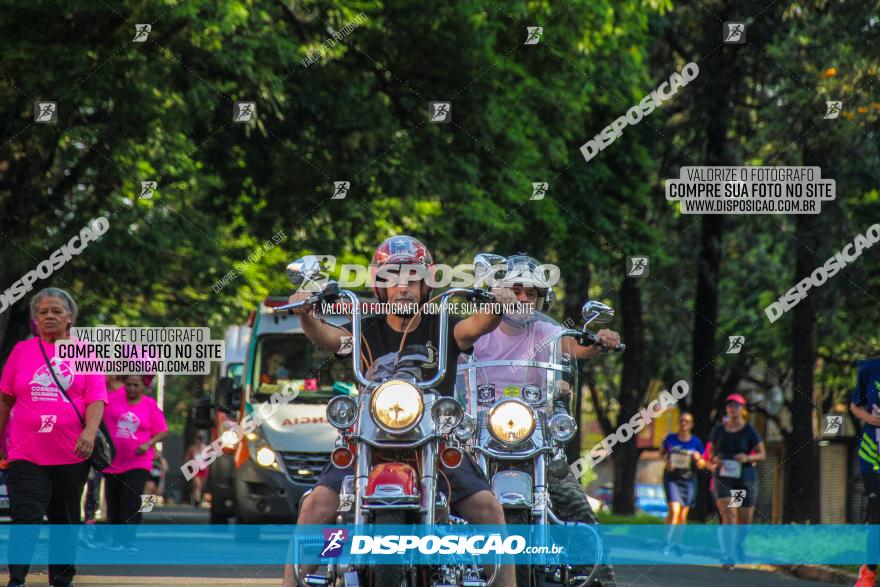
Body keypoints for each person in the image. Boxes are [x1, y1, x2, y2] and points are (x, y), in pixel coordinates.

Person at [281, 235, 518, 587]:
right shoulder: (364, 325)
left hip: (435, 439)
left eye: (412, 277)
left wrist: (498, 304)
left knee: (488, 508)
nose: (402, 286)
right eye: (393, 277)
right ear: (380, 284)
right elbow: (330, 339)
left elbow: (477, 325)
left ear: (426, 282)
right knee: (314, 506)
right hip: (368, 437)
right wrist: (307, 315)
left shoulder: (442, 323)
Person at [462, 254, 621, 585]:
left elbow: (579, 346)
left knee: (579, 510)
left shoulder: (548, 331)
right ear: (499, 292)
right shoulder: (477, 329)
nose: (522, 299)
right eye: (515, 290)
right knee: (440, 500)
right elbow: (449, 351)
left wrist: (602, 340)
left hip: (536, 443)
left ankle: (599, 578)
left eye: (531, 293)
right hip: (477, 439)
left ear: (540, 299)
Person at [0, 288, 107, 587]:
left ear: (69, 317)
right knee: (26, 517)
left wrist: (89, 432)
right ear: (35, 319)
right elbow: (5, 400)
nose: (49, 315)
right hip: (25, 453)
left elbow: (96, 398)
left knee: (65, 520)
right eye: (43, 311)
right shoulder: (22, 351)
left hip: (72, 453)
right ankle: (17, 579)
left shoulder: (85, 352)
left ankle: (61, 579)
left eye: (56, 311)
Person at [102, 374, 169, 551]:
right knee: (113, 501)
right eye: (129, 384)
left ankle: (127, 540)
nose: (131, 388)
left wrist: (148, 444)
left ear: (143, 387)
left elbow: (162, 431)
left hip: (138, 462)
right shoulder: (112, 400)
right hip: (112, 462)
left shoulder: (150, 405)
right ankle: (116, 540)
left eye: (136, 385)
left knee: (131, 500)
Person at [709, 393, 766, 568]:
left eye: (736, 406)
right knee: (729, 515)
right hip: (725, 477)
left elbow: (762, 454)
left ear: (742, 409)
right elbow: (710, 452)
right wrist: (715, 459)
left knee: (743, 521)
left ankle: (739, 544)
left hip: (744, 479)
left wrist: (747, 458)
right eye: (730, 406)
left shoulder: (749, 430)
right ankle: (728, 555)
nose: (732, 409)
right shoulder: (719, 429)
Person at [849, 356, 880, 587]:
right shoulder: (869, 368)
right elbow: (854, 405)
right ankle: (869, 573)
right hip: (873, 452)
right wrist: (870, 418)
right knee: (877, 514)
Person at [660, 411, 705, 556]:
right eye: (681, 420)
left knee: (683, 515)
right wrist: (667, 462)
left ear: (691, 424)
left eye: (687, 421)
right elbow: (661, 453)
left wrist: (698, 458)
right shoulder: (670, 439)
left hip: (688, 480)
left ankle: (677, 544)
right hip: (672, 478)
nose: (684, 423)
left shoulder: (696, 442)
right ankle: (666, 542)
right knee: (674, 510)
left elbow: (703, 464)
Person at [185, 432, 210, 506]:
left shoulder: (206, 448)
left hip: (204, 469)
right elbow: (187, 458)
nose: (200, 440)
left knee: (201, 486)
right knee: (197, 485)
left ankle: (197, 498)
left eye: (201, 438)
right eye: (198, 438)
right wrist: (187, 467)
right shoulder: (192, 448)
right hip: (195, 469)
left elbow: (209, 459)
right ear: (195, 439)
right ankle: (197, 501)